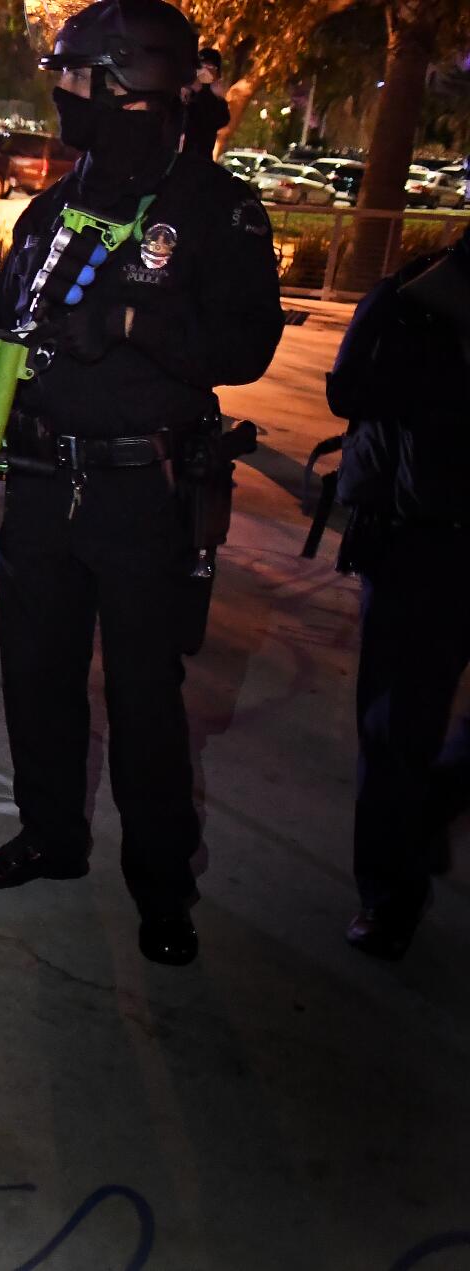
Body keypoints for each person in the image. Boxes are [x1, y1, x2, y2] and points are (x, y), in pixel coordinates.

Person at [0, 0, 284, 966]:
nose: (63, 94)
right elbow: (3, 338)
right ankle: (51, 836)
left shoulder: (215, 208)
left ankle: (163, 890)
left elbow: (248, 342)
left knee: (144, 699)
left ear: (130, 86)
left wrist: (136, 325)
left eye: (79, 78)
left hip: (142, 490)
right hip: (44, 483)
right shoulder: (52, 209)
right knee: (36, 680)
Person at [324, 227, 470, 960]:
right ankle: (388, 896)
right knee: (397, 731)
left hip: (428, 535)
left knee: (407, 743)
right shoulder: (417, 297)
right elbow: (346, 390)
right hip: (425, 540)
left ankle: (426, 813)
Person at [182, 47, 229, 162]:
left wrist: (218, 98)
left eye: (210, 67)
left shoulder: (214, 97)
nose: (205, 72)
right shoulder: (186, 89)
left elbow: (221, 120)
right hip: (177, 158)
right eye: (202, 66)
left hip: (200, 160)